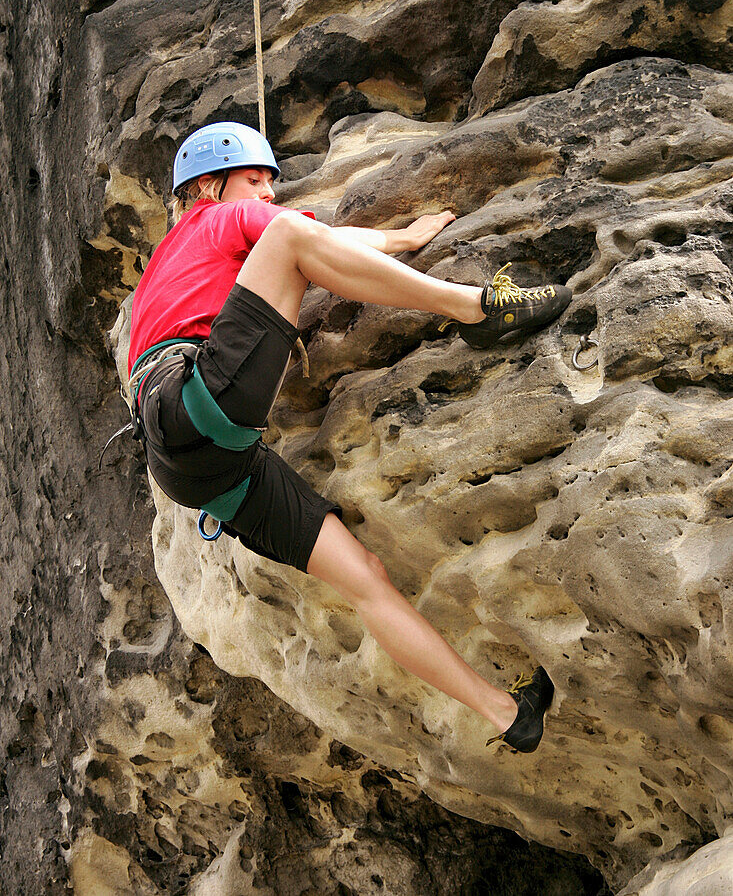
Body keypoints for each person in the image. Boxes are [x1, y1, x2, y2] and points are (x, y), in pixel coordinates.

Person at [128, 122, 571, 753]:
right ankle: (477, 307)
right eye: (255, 179)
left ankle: (506, 714)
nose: (266, 194)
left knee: (364, 575)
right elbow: (306, 239)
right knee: (286, 236)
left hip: (193, 463)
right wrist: (402, 238)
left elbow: (311, 241)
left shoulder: (168, 268)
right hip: (191, 400)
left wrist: (401, 237)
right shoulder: (209, 221)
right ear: (207, 185)